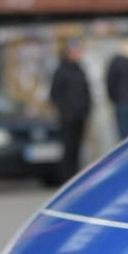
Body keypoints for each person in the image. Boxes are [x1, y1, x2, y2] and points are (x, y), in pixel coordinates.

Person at [48, 39, 93, 178]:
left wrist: (87, 108)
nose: (77, 53)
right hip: (68, 118)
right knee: (68, 148)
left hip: (80, 115)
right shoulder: (61, 70)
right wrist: (65, 111)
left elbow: (86, 90)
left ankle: (75, 175)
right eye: (74, 51)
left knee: (77, 148)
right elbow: (54, 94)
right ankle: (67, 176)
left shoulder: (79, 68)